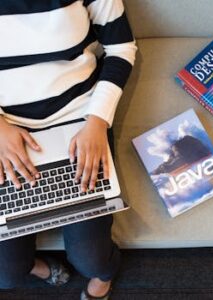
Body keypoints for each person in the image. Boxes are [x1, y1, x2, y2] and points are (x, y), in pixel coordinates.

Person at [0, 0, 137, 299]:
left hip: (79, 119)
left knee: (92, 258)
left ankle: (103, 277)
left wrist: (98, 122)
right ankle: (35, 266)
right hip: (5, 129)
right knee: (5, 273)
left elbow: (121, 48)